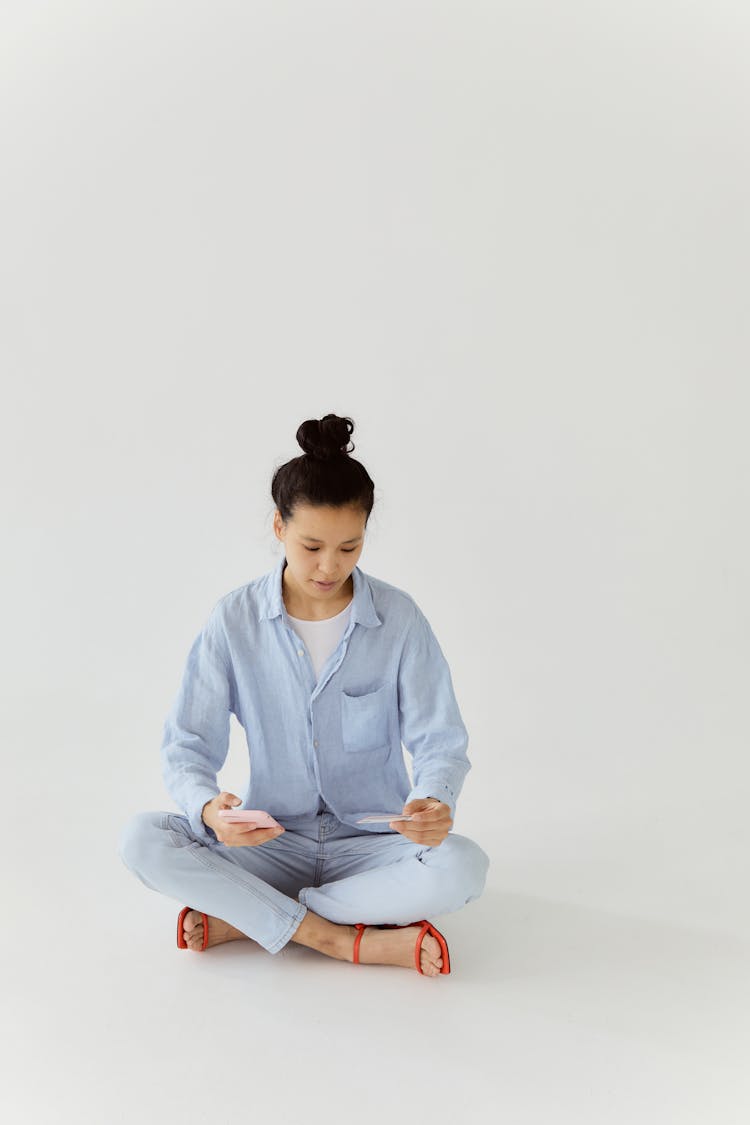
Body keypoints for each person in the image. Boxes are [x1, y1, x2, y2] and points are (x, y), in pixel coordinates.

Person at [118, 413, 489, 977]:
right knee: (143, 839)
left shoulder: (399, 618)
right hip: (271, 840)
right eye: (311, 545)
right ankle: (343, 940)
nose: (328, 566)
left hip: (371, 843)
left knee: (463, 866)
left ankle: (251, 919)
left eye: (349, 547)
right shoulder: (234, 619)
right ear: (278, 528)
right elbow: (187, 743)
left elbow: (439, 738)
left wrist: (435, 802)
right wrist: (208, 808)